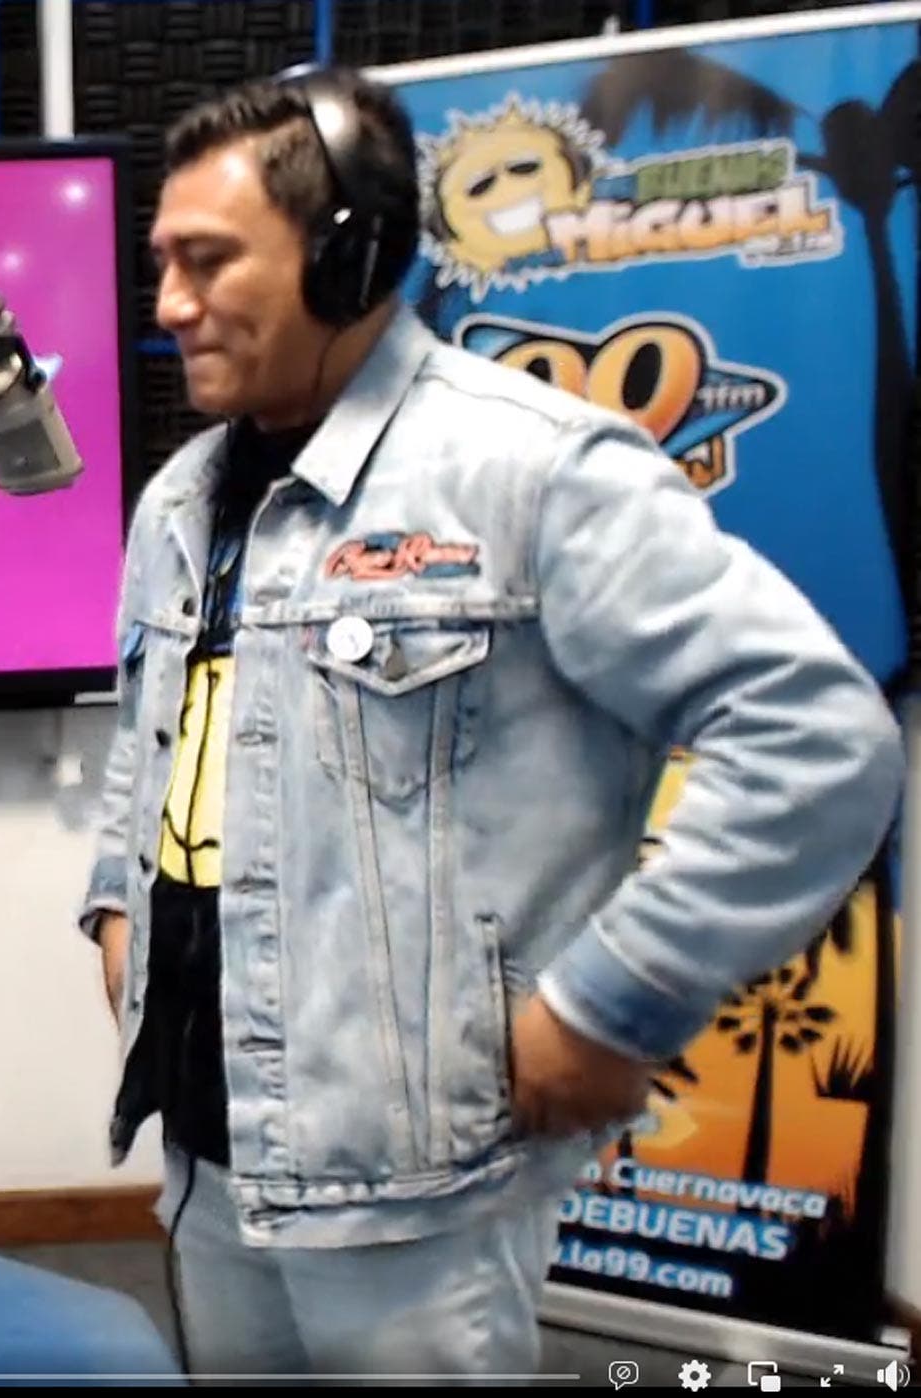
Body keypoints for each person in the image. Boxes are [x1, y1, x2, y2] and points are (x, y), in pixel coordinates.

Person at [81, 64, 902, 1377]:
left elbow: (816, 737)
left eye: (207, 260)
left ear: (348, 258)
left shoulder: (532, 471)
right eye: (161, 263)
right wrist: (116, 904)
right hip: (208, 1156)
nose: (169, 304)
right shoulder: (181, 499)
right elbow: (155, 730)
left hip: (420, 1198)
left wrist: (614, 998)